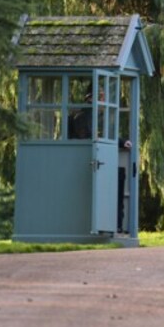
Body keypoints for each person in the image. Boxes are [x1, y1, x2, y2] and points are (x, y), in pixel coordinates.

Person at [69, 85, 132, 234]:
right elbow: (87, 136)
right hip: (87, 160)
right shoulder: (82, 116)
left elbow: (105, 135)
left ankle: (115, 224)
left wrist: (122, 142)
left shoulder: (95, 115)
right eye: (101, 96)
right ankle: (111, 225)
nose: (104, 100)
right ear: (91, 98)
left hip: (97, 159)